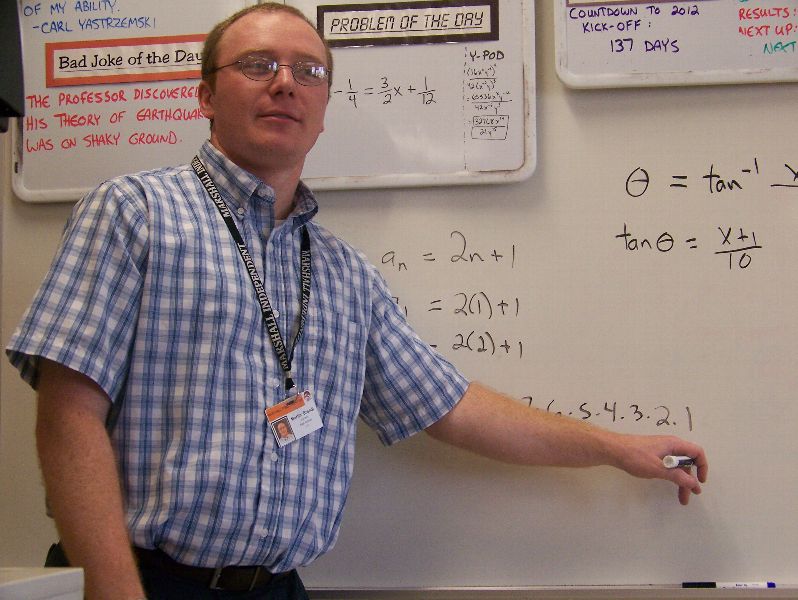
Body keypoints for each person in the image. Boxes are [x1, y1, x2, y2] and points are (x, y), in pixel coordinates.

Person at [6, 4, 708, 600]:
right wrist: (115, 590)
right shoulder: (134, 212)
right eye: (257, 65)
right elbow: (68, 412)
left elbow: (453, 407)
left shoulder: (344, 274)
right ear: (206, 96)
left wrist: (618, 448)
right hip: (141, 581)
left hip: (281, 587)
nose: (286, 83)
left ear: (322, 112)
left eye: (308, 72)